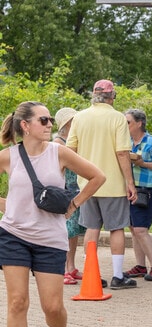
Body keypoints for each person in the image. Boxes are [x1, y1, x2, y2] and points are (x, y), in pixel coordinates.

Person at [0, 102, 105, 327]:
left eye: (49, 120)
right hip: (13, 236)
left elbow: (98, 176)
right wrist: (7, 207)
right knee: (17, 301)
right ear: (25, 126)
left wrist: (74, 204)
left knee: (52, 307)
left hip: (50, 240)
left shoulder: (58, 152)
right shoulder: (9, 157)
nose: (49, 124)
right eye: (44, 120)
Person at [65, 79, 138, 289]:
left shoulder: (79, 117)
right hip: (113, 183)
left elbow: (71, 151)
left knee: (91, 227)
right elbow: (123, 153)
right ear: (112, 96)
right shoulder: (117, 118)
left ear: (93, 95)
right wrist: (130, 183)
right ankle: (117, 276)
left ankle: (92, 274)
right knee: (116, 229)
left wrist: (82, 175)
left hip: (88, 184)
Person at [124, 109, 152, 282]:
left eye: (128, 122)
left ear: (139, 123)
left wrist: (142, 163)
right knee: (134, 229)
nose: (125, 126)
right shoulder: (125, 141)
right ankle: (140, 266)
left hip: (146, 190)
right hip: (129, 188)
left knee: (141, 229)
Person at [52, 107, 86, 285]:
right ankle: (64, 268)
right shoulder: (58, 143)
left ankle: (71, 266)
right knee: (66, 231)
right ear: (65, 124)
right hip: (64, 192)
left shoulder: (73, 140)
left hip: (75, 189)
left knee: (74, 233)